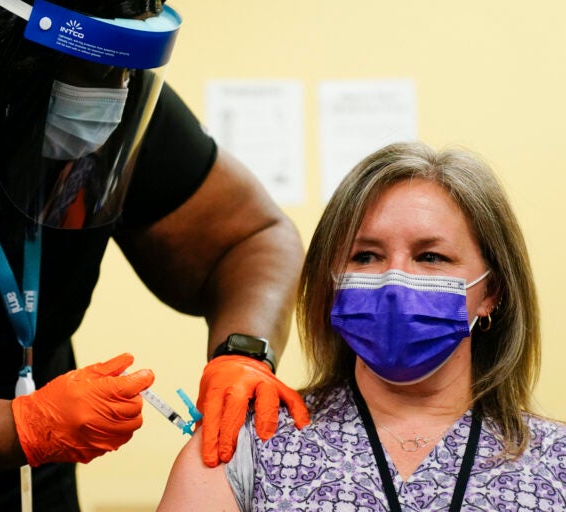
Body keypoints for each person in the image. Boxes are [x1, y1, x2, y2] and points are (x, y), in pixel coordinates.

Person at [0, 0, 311, 510]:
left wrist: (243, 354)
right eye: (89, 73)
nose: (110, 98)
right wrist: (23, 425)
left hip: (34, 484)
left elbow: (252, 237)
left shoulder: (110, 91)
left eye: (121, 74)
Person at [157, 141, 566, 511]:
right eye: (366, 256)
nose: (394, 281)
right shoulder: (244, 446)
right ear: (331, 282)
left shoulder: (555, 463)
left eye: (431, 257)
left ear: (491, 291)